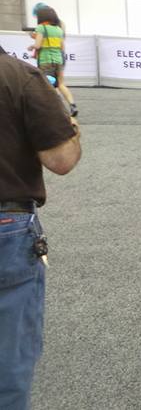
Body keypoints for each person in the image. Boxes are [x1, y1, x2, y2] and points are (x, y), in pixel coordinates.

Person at [0, 43, 82, 410]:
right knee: (7, 367)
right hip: (7, 222)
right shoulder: (18, 76)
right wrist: (72, 128)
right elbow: (61, 158)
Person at [28, 6, 77, 117]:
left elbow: (38, 45)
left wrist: (31, 46)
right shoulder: (59, 30)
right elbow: (62, 47)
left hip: (46, 61)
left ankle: (58, 109)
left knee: (47, 86)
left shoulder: (41, 28)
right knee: (60, 84)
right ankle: (72, 105)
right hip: (58, 60)